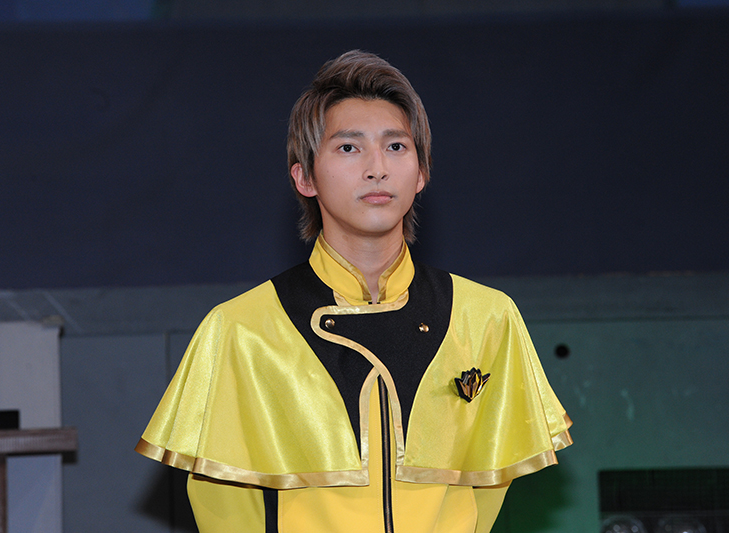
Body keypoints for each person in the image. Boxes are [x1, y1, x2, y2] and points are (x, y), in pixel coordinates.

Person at [136, 50, 572, 533]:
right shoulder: (241, 331)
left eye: (396, 146)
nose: (377, 168)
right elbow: (225, 512)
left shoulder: (486, 318)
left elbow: (486, 494)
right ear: (304, 177)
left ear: (421, 172)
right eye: (348, 148)